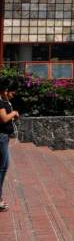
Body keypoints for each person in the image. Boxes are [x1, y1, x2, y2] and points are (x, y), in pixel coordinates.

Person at [0, 83, 18, 211]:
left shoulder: (5, 102)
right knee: (2, 167)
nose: (12, 95)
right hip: (1, 137)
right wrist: (14, 113)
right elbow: (4, 118)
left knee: (3, 166)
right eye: (12, 92)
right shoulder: (0, 103)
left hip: (4, 137)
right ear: (5, 91)